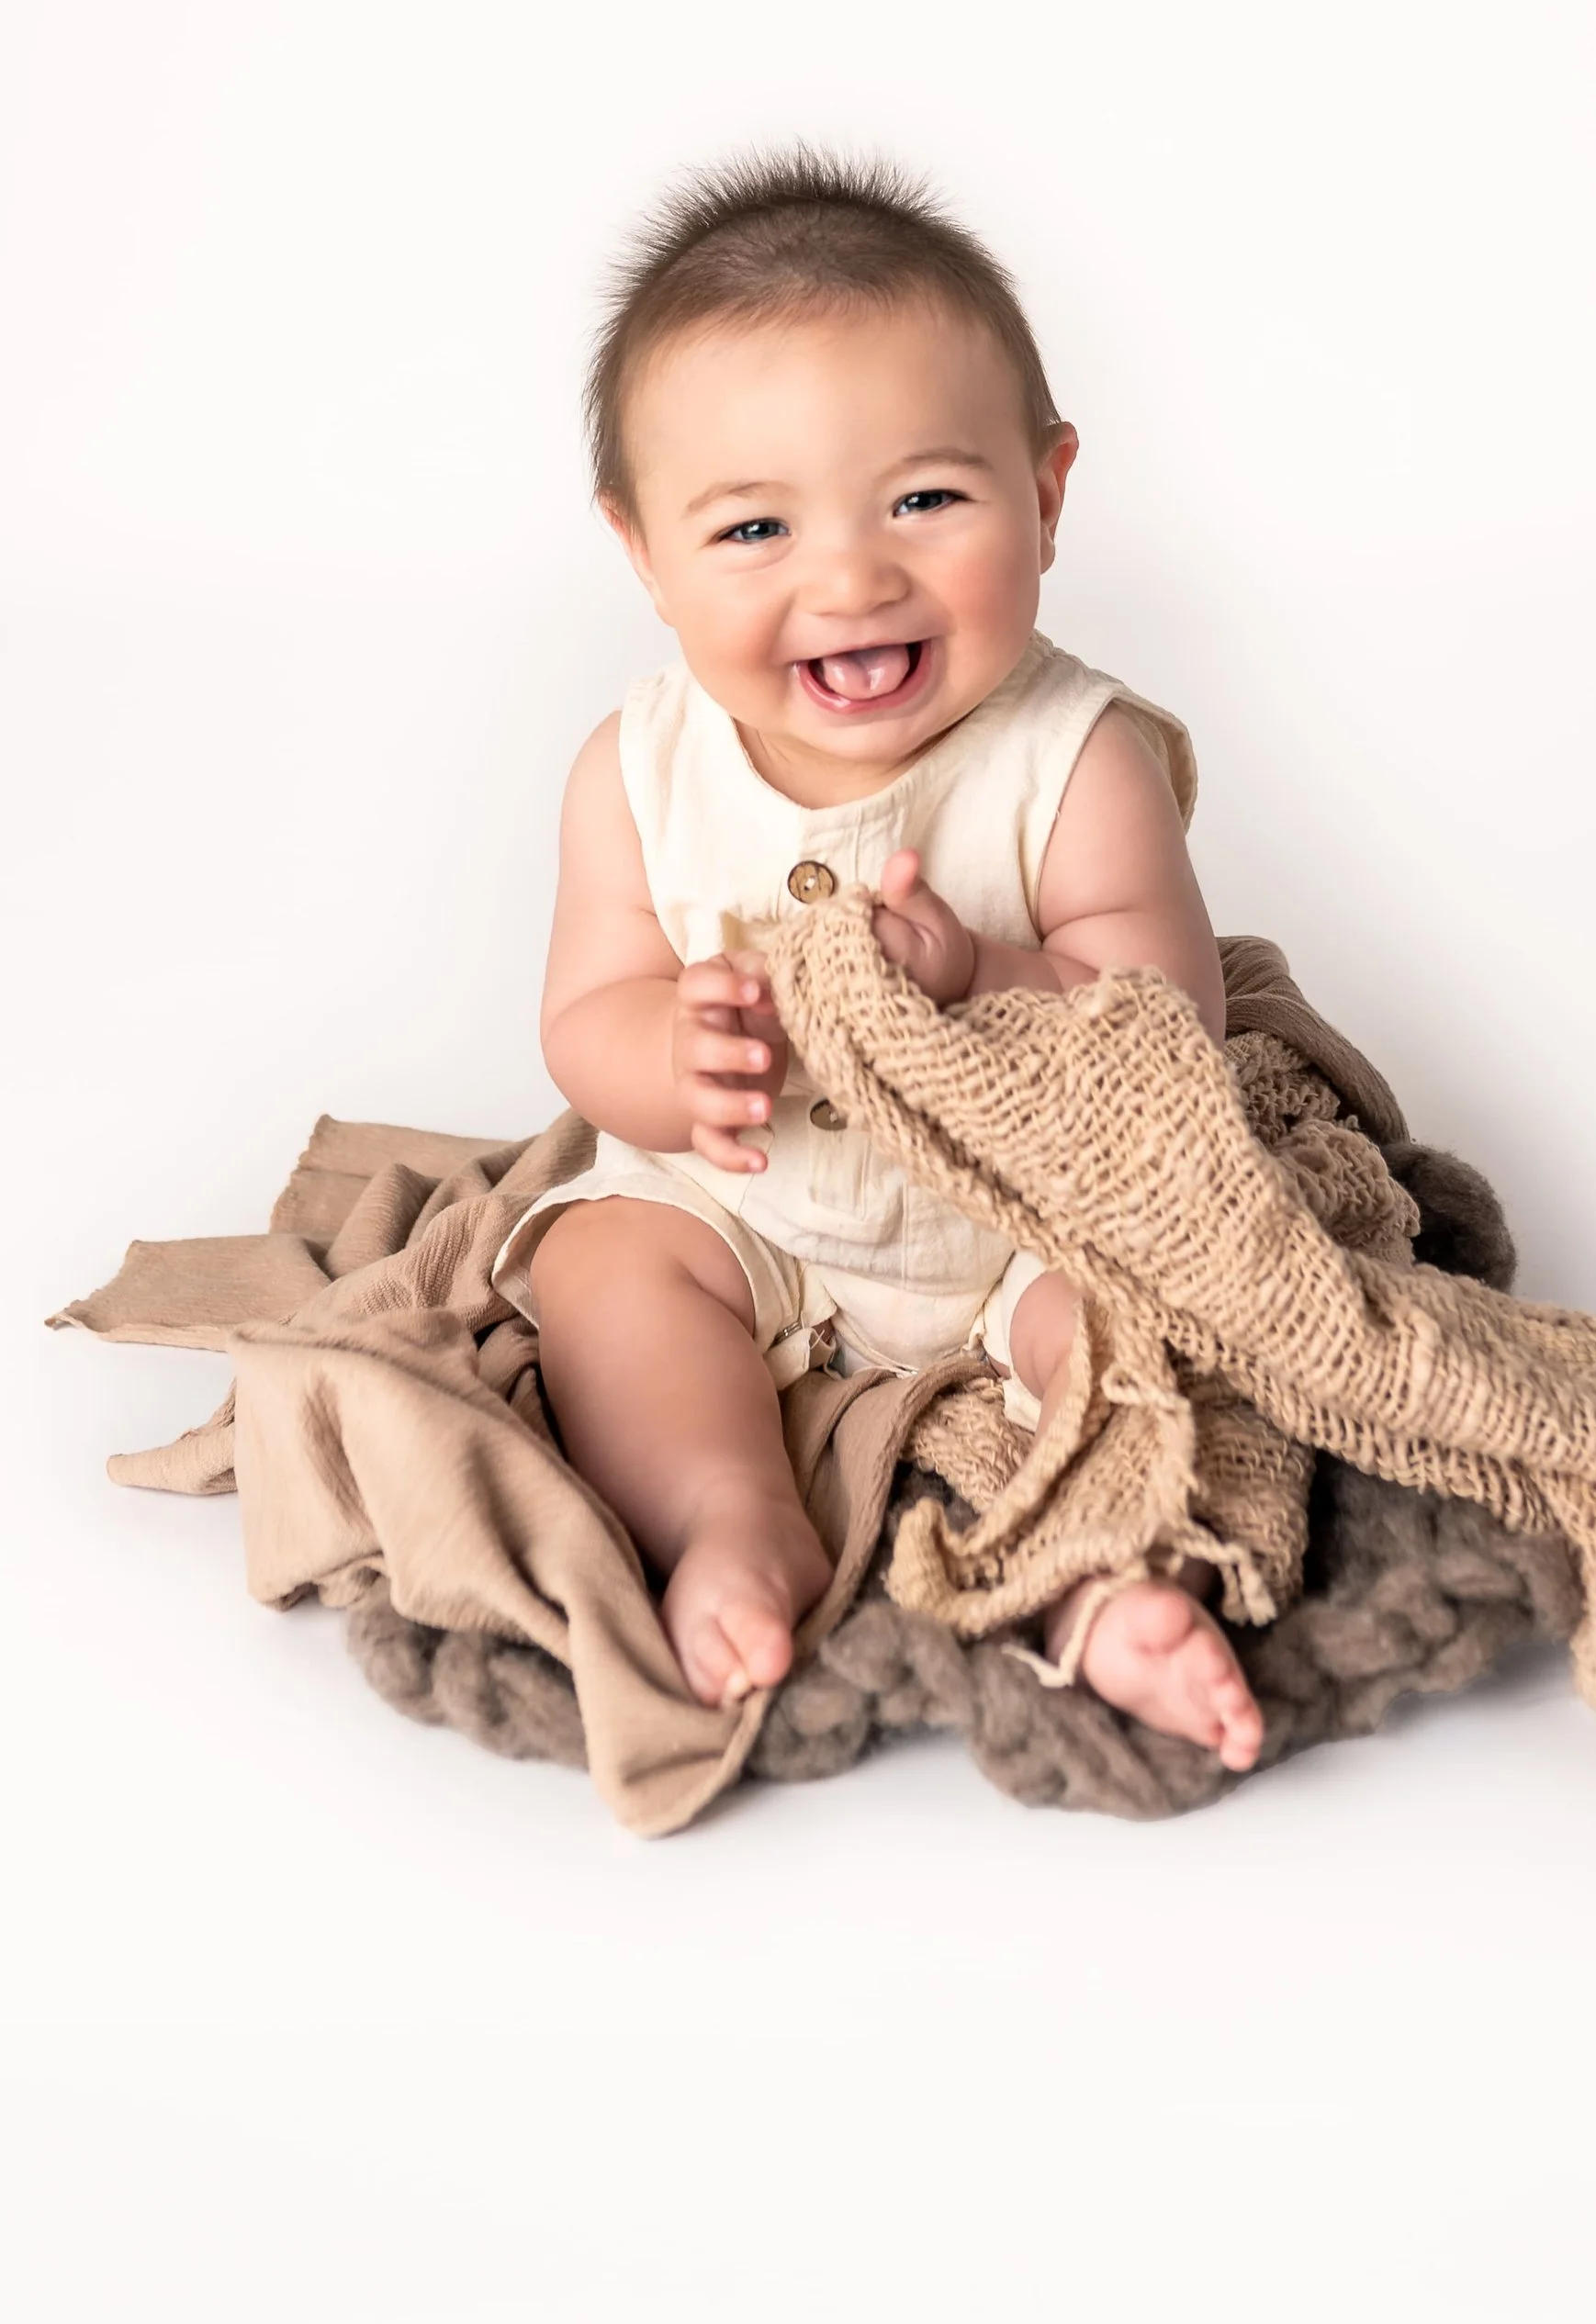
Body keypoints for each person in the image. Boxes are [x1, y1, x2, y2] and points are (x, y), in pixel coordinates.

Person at [490, 142, 1263, 1772]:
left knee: (1155, 1326)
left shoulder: (1075, 756)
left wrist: (985, 979)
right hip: (747, 1210)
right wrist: (669, 1055)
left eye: (925, 499)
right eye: (755, 527)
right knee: (604, 1268)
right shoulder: (635, 771)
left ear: (1045, 495)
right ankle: (730, 1517)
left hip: (1016, 1230)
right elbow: (583, 1020)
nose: (851, 576)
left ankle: (1098, 1577)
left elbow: (1168, 1034)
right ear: (643, 554)